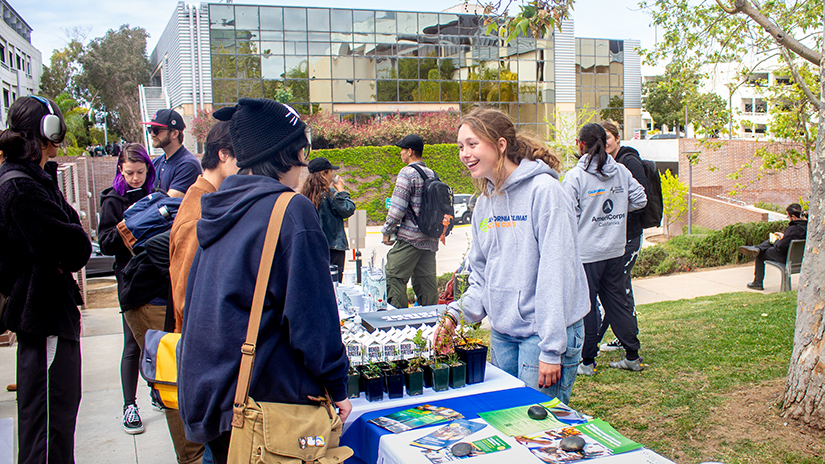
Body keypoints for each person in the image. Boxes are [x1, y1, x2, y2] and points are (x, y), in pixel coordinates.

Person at [178, 98, 351, 464]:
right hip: (261, 409)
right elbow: (312, 319)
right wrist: (338, 386)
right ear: (288, 154)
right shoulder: (289, 209)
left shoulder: (219, 206)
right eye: (303, 152)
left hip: (212, 398)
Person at [433, 108, 590, 405]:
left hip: (545, 335)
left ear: (500, 144)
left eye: (472, 144)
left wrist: (551, 349)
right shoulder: (484, 203)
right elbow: (481, 276)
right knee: (505, 418)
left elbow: (557, 272)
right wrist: (454, 316)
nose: (464, 154)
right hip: (504, 334)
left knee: (534, 429)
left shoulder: (545, 192)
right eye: (460, 147)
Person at [0, 95, 92, 463]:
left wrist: (72, 234)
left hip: (49, 316)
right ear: (48, 130)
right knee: (48, 430)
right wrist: (73, 234)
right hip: (44, 319)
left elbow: (72, 233)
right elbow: (75, 248)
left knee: (57, 420)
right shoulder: (21, 188)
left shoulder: (34, 180)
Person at [562, 123, 647, 375]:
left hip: (586, 254)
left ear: (580, 145)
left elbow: (566, 214)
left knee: (586, 306)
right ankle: (632, 356)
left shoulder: (575, 177)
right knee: (617, 302)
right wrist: (617, 213)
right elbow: (640, 199)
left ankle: (586, 362)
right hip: (615, 249)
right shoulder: (620, 171)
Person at [97, 143, 157, 435]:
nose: (135, 178)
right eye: (130, 172)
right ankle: (129, 405)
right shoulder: (111, 200)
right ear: (120, 170)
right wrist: (129, 225)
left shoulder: (154, 194)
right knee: (132, 343)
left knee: (158, 338)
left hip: (156, 277)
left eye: (141, 172)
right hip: (129, 279)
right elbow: (105, 241)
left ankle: (158, 389)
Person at [598, 121, 648, 353]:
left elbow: (640, 198)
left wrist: (614, 210)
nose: (604, 142)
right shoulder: (609, 164)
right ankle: (626, 338)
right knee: (622, 289)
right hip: (615, 236)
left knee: (615, 291)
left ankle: (596, 344)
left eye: (607, 137)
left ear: (617, 138)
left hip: (628, 236)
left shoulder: (628, 163)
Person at [382, 134, 440, 308]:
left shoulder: (407, 173)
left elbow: (397, 208)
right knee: (426, 282)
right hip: (430, 239)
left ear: (410, 151)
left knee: (393, 274)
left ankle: (400, 322)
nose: (400, 153)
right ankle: (431, 323)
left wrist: (387, 231)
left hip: (410, 238)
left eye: (402, 150)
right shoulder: (433, 174)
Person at [300, 157, 356, 281]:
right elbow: (348, 209)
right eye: (330, 172)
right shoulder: (330, 194)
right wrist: (341, 190)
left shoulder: (305, 195)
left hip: (314, 247)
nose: (332, 175)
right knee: (334, 283)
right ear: (323, 174)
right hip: (333, 247)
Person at [738, 203, 807, 290]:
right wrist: (783, 237)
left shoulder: (793, 229)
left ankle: (757, 282)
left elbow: (780, 247)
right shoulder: (809, 226)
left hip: (787, 258)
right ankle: (757, 248)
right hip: (801, 258)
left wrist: (778, 240)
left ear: (793, 217)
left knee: (761, 254)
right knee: (772, 241)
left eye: (788, 217)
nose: (788, 219)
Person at [141, 108, 202, 198]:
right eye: (150, 129)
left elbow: (168, 203)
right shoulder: (156, 162)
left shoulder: (188, 165)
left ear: (174, 134)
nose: (152, 134)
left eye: (156, 130)